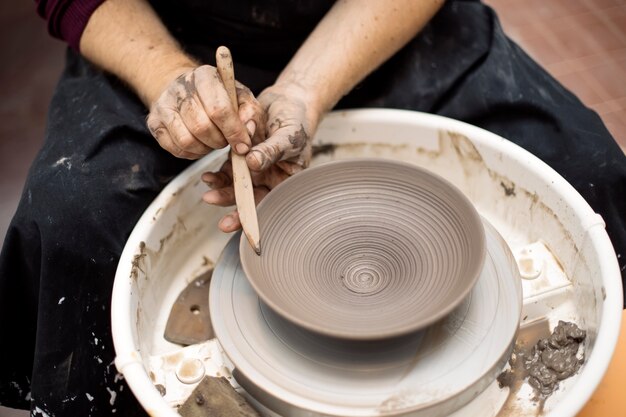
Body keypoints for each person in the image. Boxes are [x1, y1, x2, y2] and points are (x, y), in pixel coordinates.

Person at [1, 0, 624, 415]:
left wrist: (305, 88)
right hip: (159, 36)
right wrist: (170, 79)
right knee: (69, 220)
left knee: (590, 169)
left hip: (382, 24)